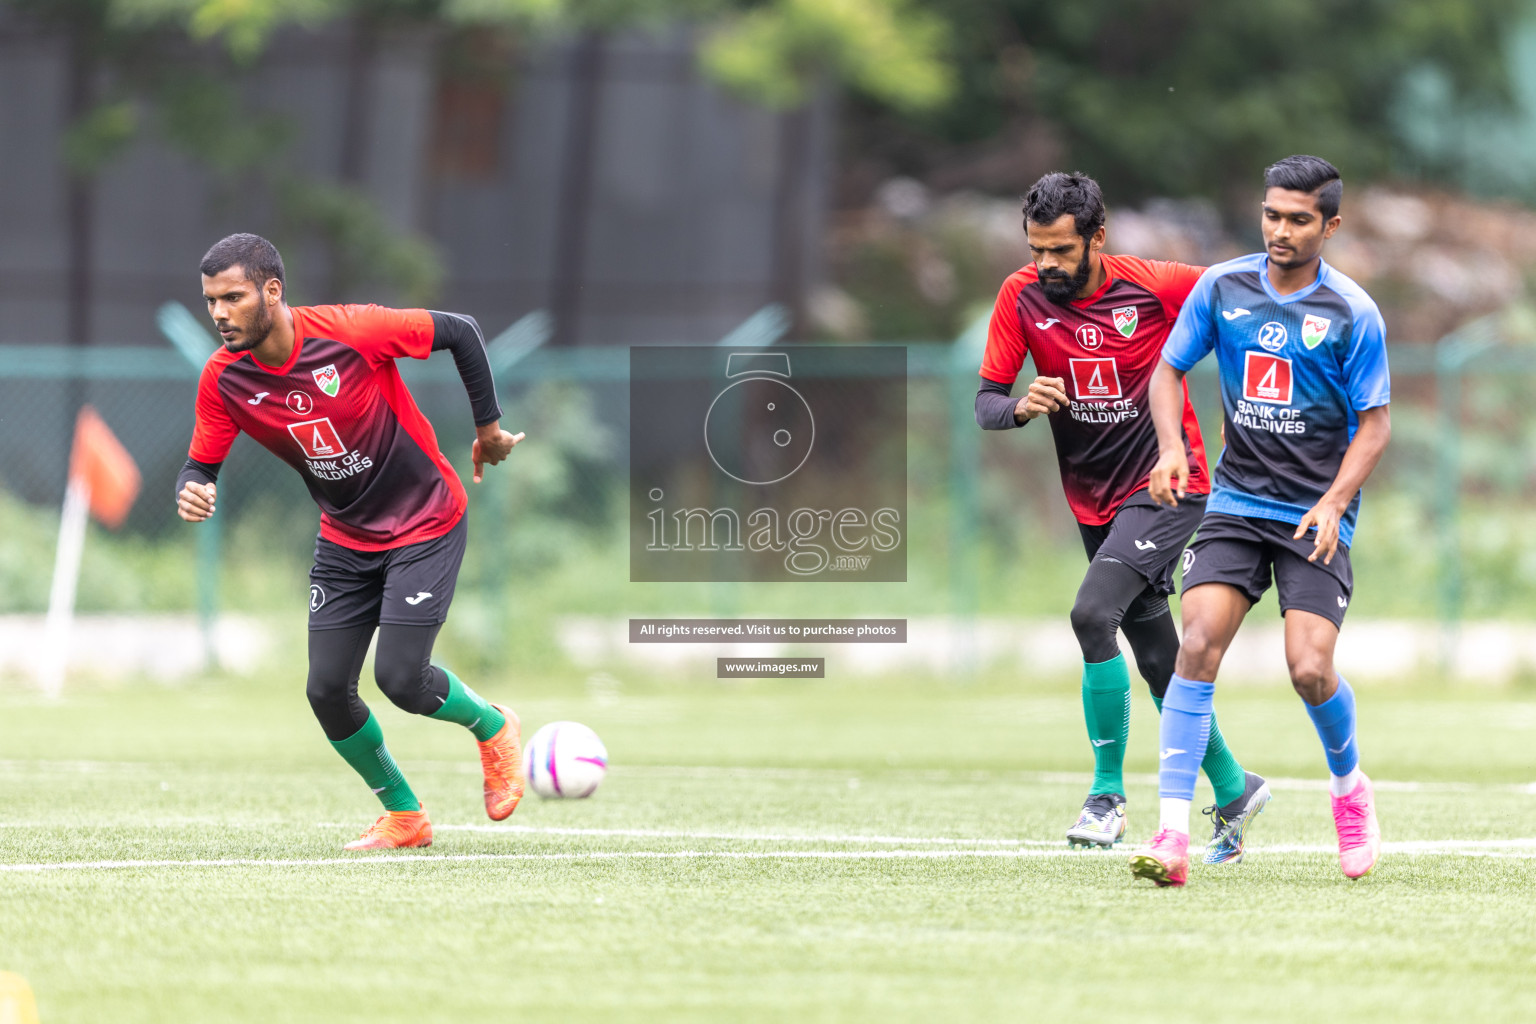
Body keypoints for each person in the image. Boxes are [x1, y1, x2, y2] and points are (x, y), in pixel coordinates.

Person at [176, 233, 526, 851]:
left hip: (426, 520)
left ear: (272, 290)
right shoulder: (224, 380)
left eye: (232, 297)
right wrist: (193, 487)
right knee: (326, 691)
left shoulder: (352, 331)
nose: (220, 314)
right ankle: (404, 814)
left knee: (402, 680)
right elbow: (201, 464)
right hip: (345, 538)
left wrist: (489, 430)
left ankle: (494, 728)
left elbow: (462, 331)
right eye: (210, 302)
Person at [977, 172, 1270, 861]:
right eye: (1036, 249)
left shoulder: (1157, 284)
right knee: (1159, 657)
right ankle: (1234, 786)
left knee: (1090, 615)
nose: (1045, 264)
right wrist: (1020, 406)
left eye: (1059, 250)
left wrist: (1251, 407)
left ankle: (1106, 798)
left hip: (1171, 482)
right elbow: (988, 401)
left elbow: (1244, 297)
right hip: (1093, 498)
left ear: (1097, 238)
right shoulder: (1020, 297)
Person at [1133, 155, 1391, 887]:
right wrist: (1172, 446)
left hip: (1312, 515)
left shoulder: (1352, 313)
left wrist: (1336, 501)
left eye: (1299, 219)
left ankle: (1348, 789)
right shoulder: (1223, 286)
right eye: (1272, 214)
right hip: (1237, 506)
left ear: (1330, 225)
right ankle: (1172, 836)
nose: (1280, 229)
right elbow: (1167, 370)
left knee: (1309, 670)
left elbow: (1374, 426)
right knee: (1198, 645)